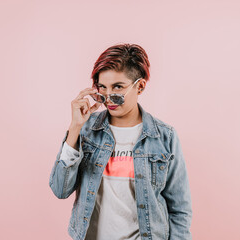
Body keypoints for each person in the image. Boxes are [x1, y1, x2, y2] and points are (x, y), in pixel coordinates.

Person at [49, 43, 192, 240]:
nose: (108, 98)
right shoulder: (86, 130)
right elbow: (60, 189)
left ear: (139, 86)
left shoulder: (164, 136)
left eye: (117, 87)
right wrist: (75, 128)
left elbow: (179, 209)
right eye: (102, 87)